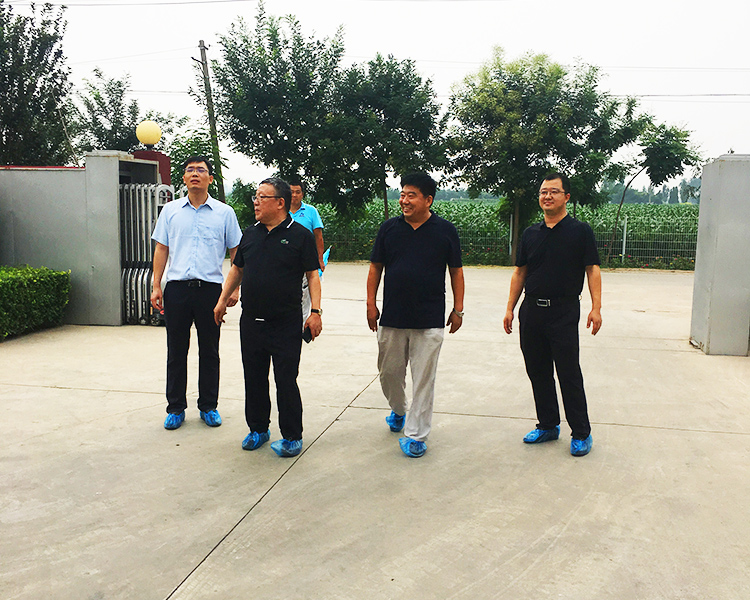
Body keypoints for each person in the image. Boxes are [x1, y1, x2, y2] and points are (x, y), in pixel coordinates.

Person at [214, 177, 322, 458]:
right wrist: (222, 300)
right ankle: (258, 429)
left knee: (286, 380)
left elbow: (312, 275)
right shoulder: (250, 234)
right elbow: (237, 269)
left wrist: (315, 312)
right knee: (254, 378)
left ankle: (292, 436)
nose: (256, 202)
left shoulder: (300, 235)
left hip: (286, 322)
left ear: (280, 203)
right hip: (252, 321)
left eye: (262, 197)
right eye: (256, 197)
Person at [503, 172, 602, 457]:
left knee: (568, 372)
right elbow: (520, 272)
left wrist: (596, 307)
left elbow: (592, 269)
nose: (547, 196)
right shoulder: (530, 234)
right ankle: (548, 425)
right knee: (537, 371)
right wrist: (510, 308)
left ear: (566, 197)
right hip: (532, 310)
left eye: (554, 192)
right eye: (543, 192)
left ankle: (581, 433)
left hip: (564, 311)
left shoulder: (580, 231)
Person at [367, 172, 465, 458]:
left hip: (429, 318)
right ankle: (398, 409)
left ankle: (416, 436)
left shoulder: (445, 230)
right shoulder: (389, 229)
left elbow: (456, 271)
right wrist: (371, 303)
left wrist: (458, 309)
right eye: (402, 195)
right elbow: (375, 267)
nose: (404, 201)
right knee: (389, 372)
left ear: (428, 200)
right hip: (392, 315)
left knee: (423, 379)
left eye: (411, 195)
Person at [151, 155, 242, 430]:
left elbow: (237, 252)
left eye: (201, 170)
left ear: (210, 178)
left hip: (211, 291)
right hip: (177, 288)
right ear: (183, 177)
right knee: (176, 350)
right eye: (190, 170)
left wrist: (234, 288)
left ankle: (208, 406)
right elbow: (162, 248)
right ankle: (175, 408)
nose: (195, 174)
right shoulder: (170, 211)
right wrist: (156, 284)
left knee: (210, 350)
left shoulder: (224, 213)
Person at [288, 177, 326, 321]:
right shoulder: (281, 211)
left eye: (297, 192)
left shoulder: (311, 211)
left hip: (306, 261)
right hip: (286, 262)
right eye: (291, 192)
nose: (294, 195)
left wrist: (320, 259)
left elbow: (318, 237)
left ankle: (302, 324)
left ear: (302, 194)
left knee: (305, 296)